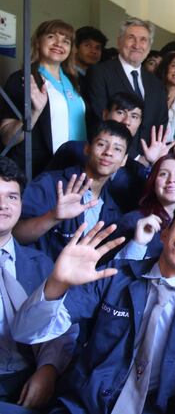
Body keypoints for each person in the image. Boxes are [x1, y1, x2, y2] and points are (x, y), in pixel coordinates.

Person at [11, 201, 175, 414]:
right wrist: (57, 283)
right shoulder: (117, 274)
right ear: (164, 234)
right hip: (84, 404)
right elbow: (25, 332)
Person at [0, 157, 76, 411]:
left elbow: (61, 324)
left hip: (26, 377)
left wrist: (48, 368)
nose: (3, 205)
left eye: (12, 197)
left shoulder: (40, 263)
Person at [14, 121, 130, 260]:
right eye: (101, 144)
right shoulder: (50, 183)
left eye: (117, 149)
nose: (108, 152)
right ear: (87, 148)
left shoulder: (113, 211)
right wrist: (53, 217)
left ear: (124, 160)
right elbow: (14, 233)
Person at [0, 19, 87, 177]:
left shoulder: (76, 82)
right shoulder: (23, 79)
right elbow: (6, 136)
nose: (59, 44)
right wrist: (34, 112)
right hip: (37, 171)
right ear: (38, 42)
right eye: (51, 37)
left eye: (66, 41)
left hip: (73, 169)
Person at [84, 18, 168, 158]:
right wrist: (135, 157)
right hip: (111, 159)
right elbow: (98, 118)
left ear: (149, 45)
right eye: (131, 38)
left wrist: (150, 157)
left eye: (143, 40)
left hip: (148, 160)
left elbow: (161, 123)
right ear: (119, 41)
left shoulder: (156, 83)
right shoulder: (100, 73)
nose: (137, 45)